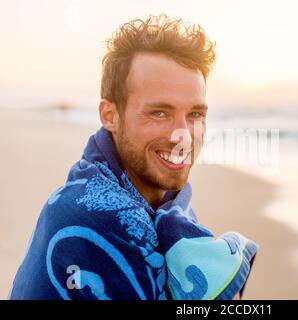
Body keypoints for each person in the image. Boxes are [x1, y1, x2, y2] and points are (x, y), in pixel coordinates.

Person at [9, 14, 257, 300]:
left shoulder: (165, 207)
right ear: (109, 116)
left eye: (195, 114)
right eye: (159, 112)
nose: (184, 135)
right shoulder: (96, 215)